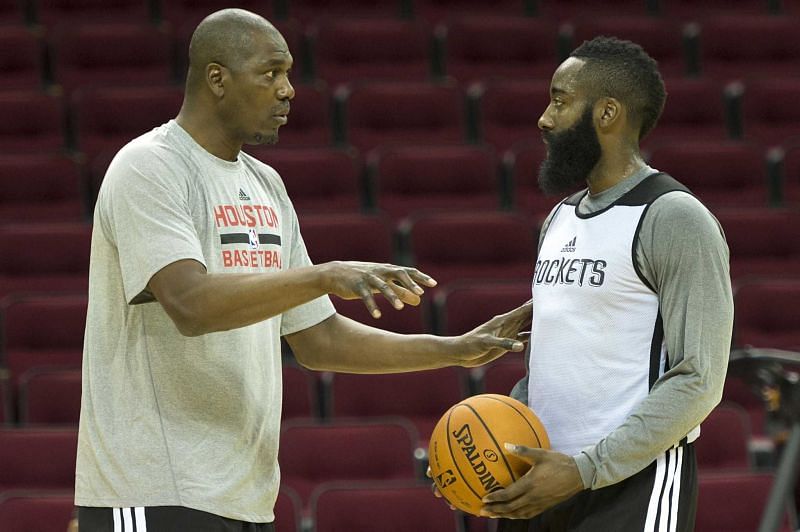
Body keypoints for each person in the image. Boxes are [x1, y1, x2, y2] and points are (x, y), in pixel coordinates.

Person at [74, 8, 532, 532]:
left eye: (289, 73)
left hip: (243, 496)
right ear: (216, 78)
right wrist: (323, 276)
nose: (289, 89)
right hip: (151, 488)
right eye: (270, 73)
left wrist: (456, 348)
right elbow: (189, 304)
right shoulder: (149, 166)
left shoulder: (267, 185)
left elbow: (319, 340)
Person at [475, 37, 734, 531]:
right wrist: (486, 449)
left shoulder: (675, 218)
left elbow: (699, 379)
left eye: (560, 99)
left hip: (630, 485)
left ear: (607, 112)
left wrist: (586, 470)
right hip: (545, 478)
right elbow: (549, 369)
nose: (544, 118)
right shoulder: (559, 218)